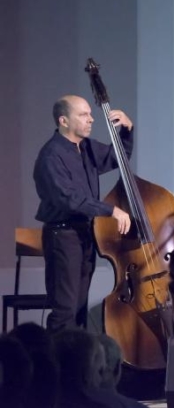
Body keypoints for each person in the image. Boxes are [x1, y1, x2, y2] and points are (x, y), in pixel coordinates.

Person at [33, 95, 133, 332]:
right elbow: (68, 199)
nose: (91, 119)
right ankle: (56, 368)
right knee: (65, 310)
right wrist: (111, 210)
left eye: (90, 113)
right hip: (63, 237)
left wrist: (127, 131)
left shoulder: (86, 147)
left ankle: (76, 366)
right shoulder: (51, 156)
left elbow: (116, 157)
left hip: (84, 235)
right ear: (63, 120)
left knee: (79, 309)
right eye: (83, 115)